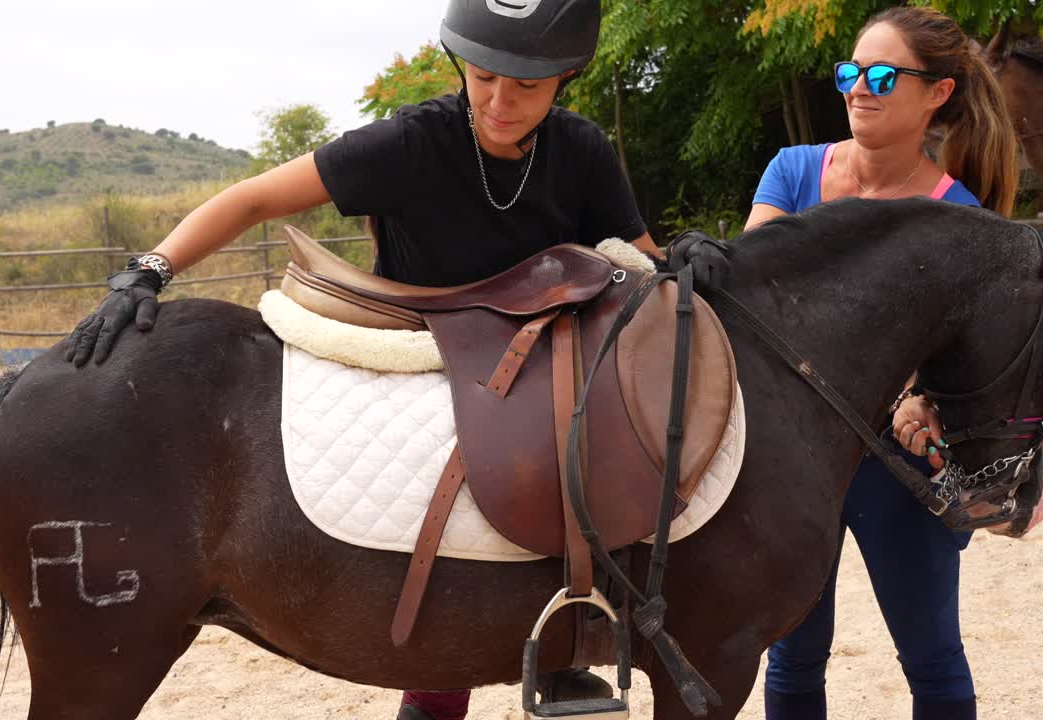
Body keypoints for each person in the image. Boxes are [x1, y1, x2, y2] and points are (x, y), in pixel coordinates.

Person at [65, 2, 655, 719]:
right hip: (420, 348)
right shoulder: (410, 143)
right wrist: (150, 267)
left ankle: (578, 627)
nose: (500, 101)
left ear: (565, 75)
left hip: (541, 352)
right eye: (483, 76)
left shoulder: (583, 151)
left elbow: (638, 257)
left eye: (525, 87)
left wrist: (689, 259)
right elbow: (254, 198)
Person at [744, 7, 1020, 720]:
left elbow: (968, 365)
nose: (859, 87)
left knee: (932, 661)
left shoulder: (957, 216)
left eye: (882, 74)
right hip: (790, 462)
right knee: (792, 654)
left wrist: (923, 397)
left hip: (896, 469)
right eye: (850, 71)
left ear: (938, 93)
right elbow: (745, 311)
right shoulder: (792, 171)